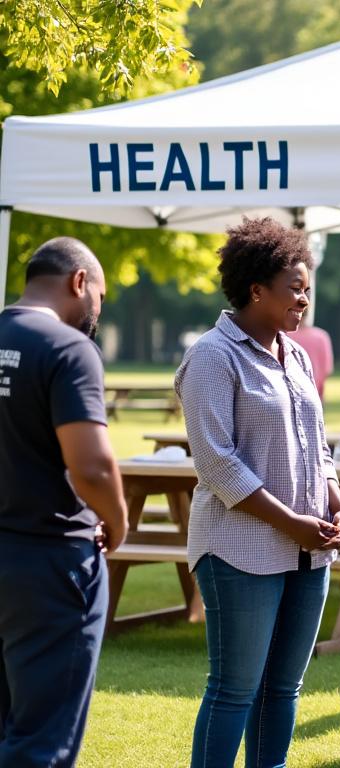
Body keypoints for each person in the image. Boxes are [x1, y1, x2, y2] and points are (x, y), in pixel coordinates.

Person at [176, 218, 340, 768]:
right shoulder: (212, 355)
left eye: (307, 288)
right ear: (256, 290)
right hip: (238, 550)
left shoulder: (296, 355)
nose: (305, 299)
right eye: (295, 288)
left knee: (283, 688)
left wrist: (337, 501)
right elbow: (217, 462)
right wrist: (291, 522)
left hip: (308, 550)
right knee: (235, 688)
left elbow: (318, 446)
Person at [0, 237, 127, 768]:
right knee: (41, 741)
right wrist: (117, 521)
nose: (96, 312)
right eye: (98, 296)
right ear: (79, 283)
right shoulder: (69, 348)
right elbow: (92, 465)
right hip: (50, 563)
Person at [286, 316, 334, 400]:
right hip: (314, 392)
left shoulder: (284, 336)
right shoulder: (321, 336)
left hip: (288, 393)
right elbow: (327, 370)